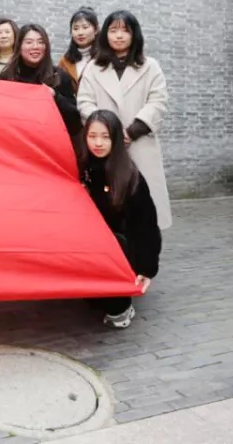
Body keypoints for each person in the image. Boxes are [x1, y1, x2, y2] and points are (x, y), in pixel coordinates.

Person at [77, 10, 171, 229]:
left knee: (144, 214)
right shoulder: (94, 68)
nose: (119, 36)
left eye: (125, 31)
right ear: (105, 34)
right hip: (104, 146)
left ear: (134, 35)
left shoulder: (150, 67)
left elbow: (158, 102)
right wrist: (107, 131)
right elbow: (84, 102)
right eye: (113, 30)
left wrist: (132, 131)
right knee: (108, 214)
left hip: (139, 143)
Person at [78, 110, 161, 329]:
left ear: (116, 139)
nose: (98, 143)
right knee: (92, 301)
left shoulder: (129, 176)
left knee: (114, 309)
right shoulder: (82, 168)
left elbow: (146, 225)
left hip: (121, 245)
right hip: (92, 241)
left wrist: (146, 268)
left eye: (105, 137)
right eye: (92, 136)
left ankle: (123, 305)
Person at [0, 24, 82, 142]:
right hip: (14, 143)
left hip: (49, 144)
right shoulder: (5, 79)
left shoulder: (60, 77)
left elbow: (75, 124)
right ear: (19, 46)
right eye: (29, 42)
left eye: (41, 42)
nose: (35, 47)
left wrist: (55, 97)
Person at [58, 7, 99, 89]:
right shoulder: (64, 62)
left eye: (85, 27)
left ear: (96, 29)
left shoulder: (104, 58)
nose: (80, 33)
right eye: (75, 28)